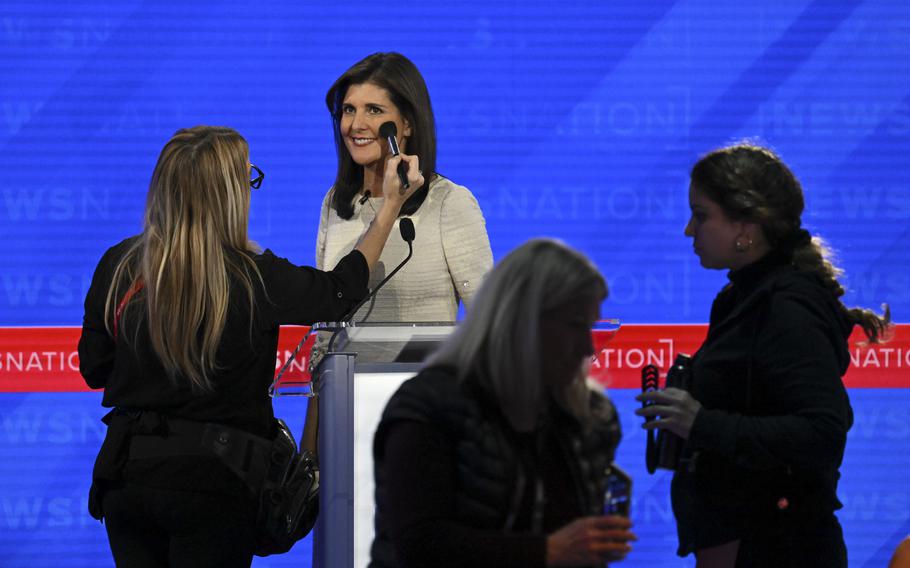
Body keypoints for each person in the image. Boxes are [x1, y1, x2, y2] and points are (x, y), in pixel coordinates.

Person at [77, 125, 422, 567]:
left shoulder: (118, 265)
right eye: (248, 177)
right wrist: (390, 204)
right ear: (228, 194)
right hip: (215, 487)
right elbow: (341, 290)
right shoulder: (253, 277)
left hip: (128, 480)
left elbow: (94, 368)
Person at [636, 143, 891, 568]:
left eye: (701, 216)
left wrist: (700, 422)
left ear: (746, 228)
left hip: (780, 549)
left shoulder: (785, 307)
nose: (688, 230)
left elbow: (822, 433)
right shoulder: (742, 297)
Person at [370, 238, 637, 568]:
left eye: (590, 327)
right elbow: (419, 544)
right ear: (522, 321)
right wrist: (546, 552)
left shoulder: (590, 417)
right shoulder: (431, 405)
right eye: (574, 326)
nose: (587, 346)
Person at [317, 51, 493, 322]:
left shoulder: (448, 202)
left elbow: (489, 318)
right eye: (349, 110)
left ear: (407, 124)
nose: (356, 125)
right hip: (345, 365)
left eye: (374, 110)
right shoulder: (337, 202)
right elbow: (328, 317)